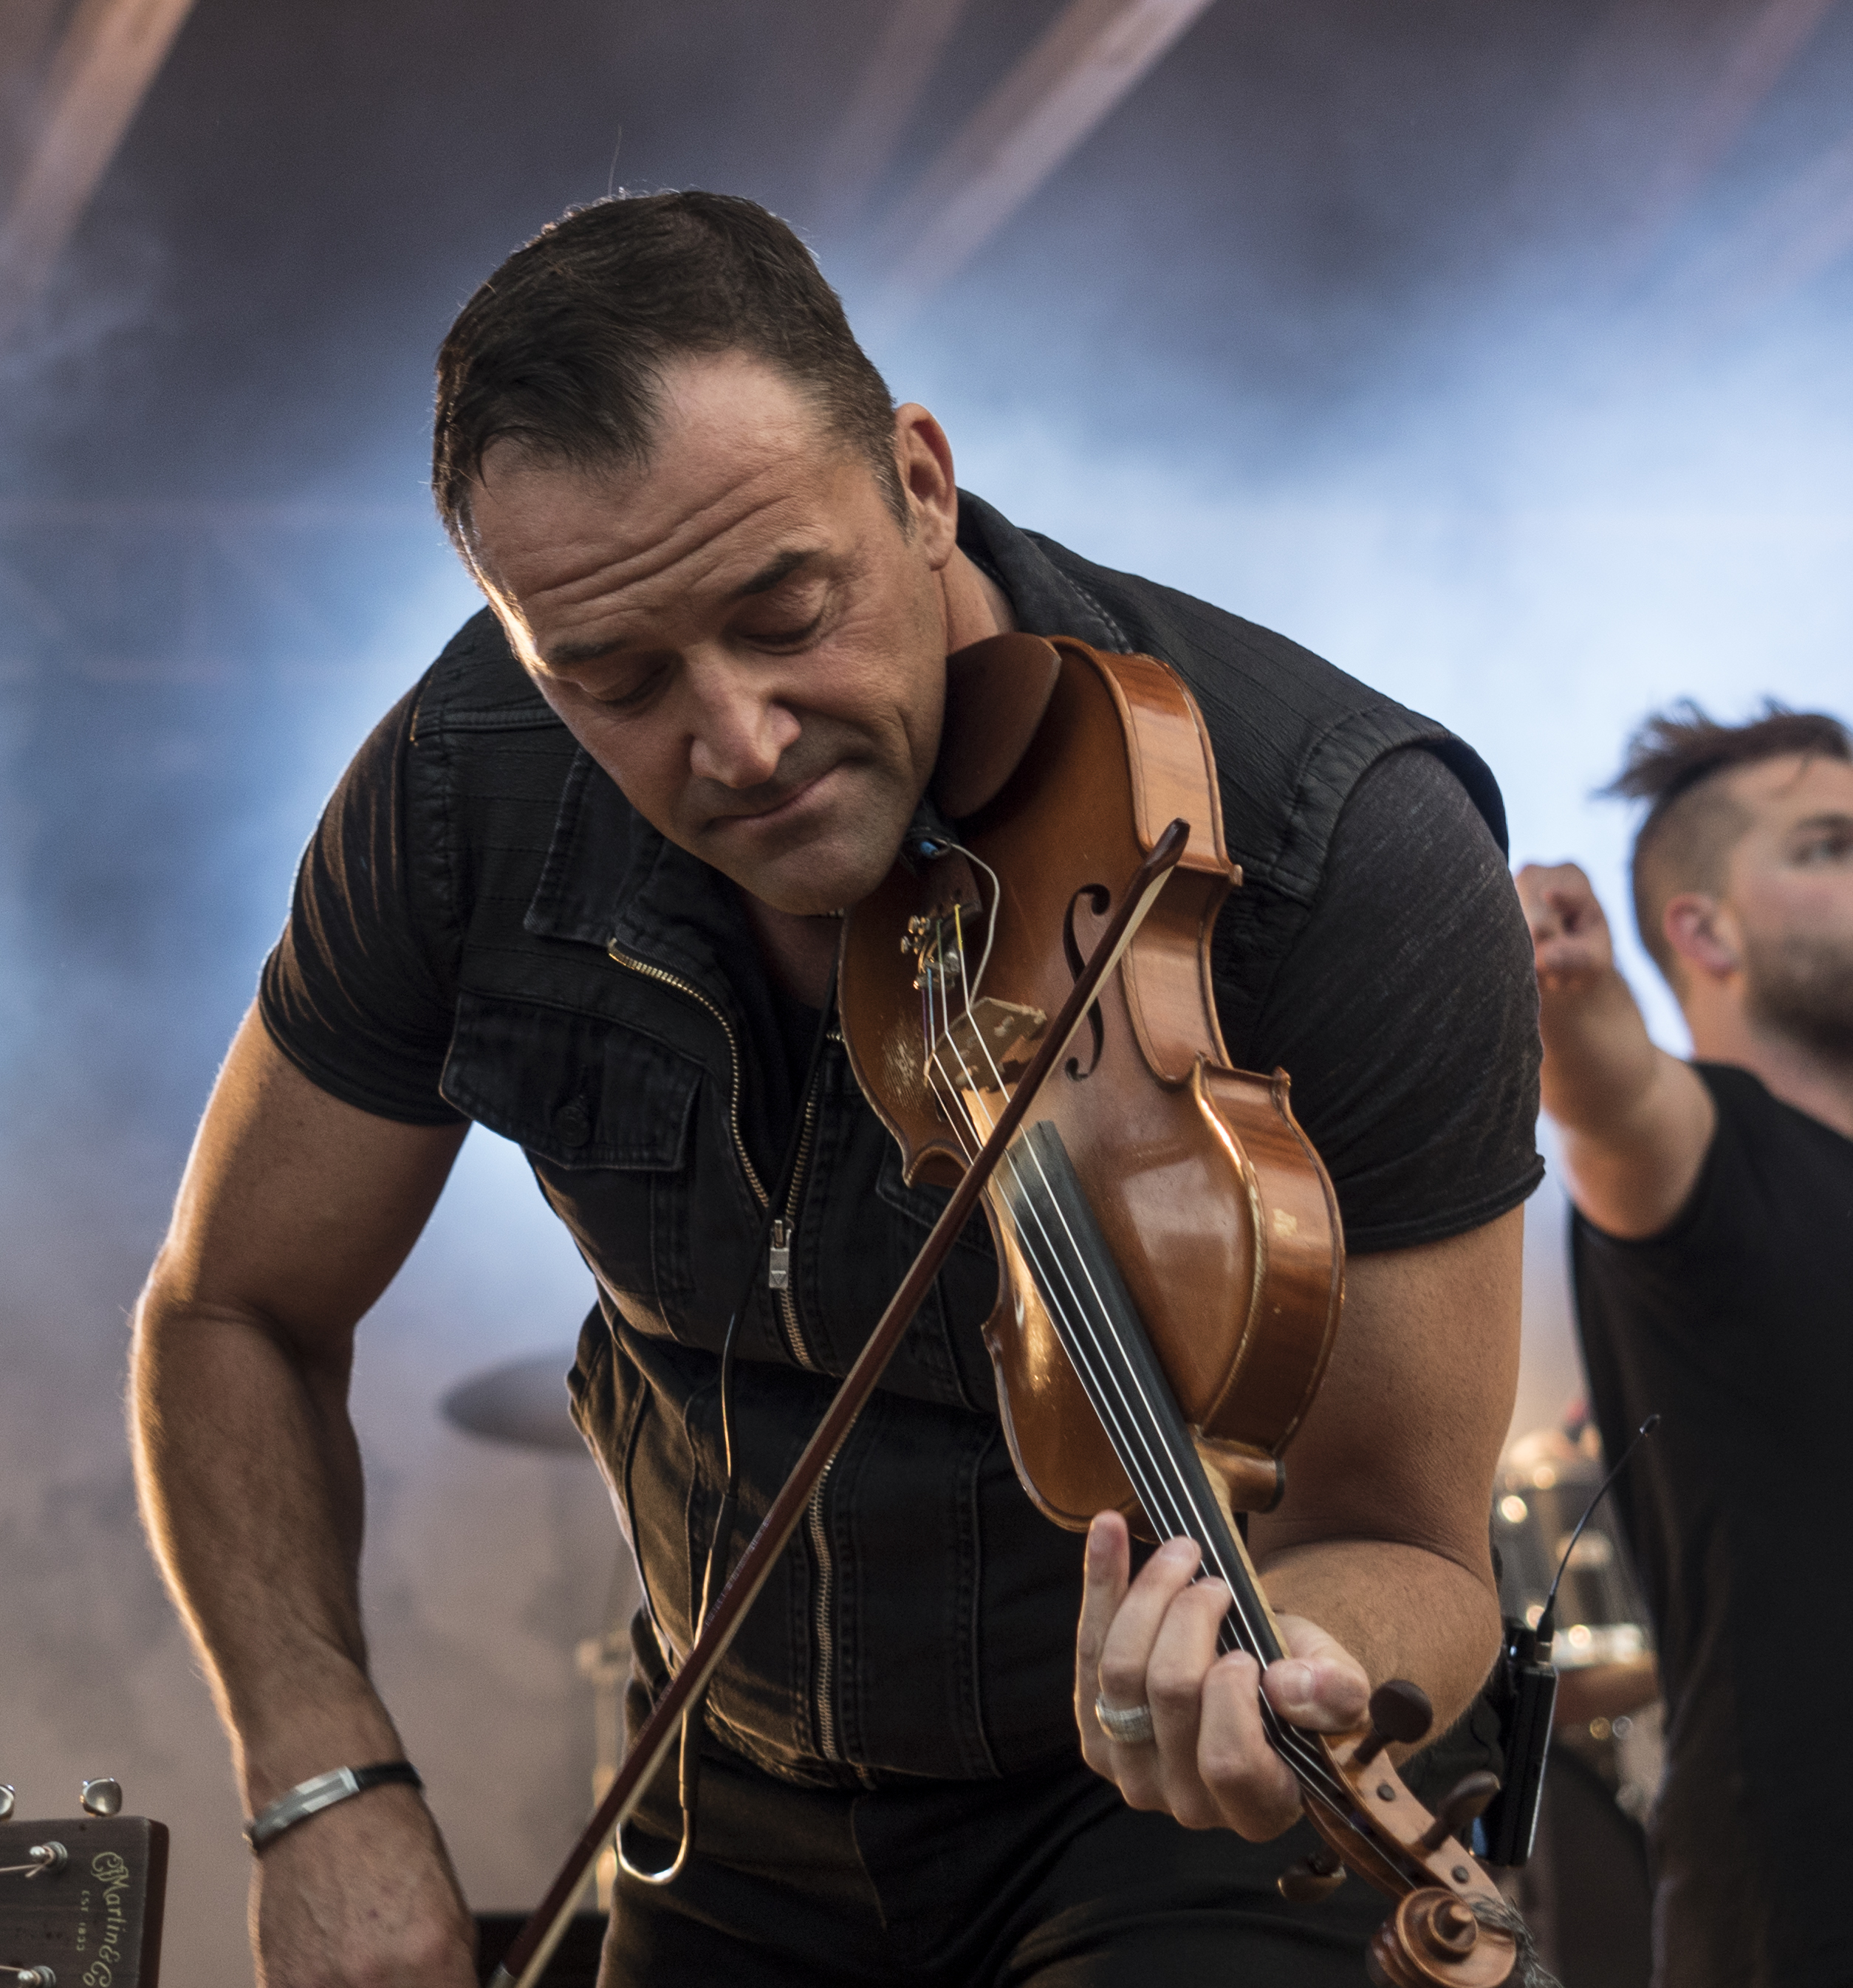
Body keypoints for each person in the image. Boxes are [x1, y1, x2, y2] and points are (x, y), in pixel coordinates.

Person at [132, 191, 1541, 1988]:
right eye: (613, 679)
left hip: (1173, 1818)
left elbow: (1407, 1540)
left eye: (783, 608)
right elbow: (230, 1305)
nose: (736, 739)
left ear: (921, 482)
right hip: (736, 1783)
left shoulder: (1335, 843)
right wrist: (318, 1780)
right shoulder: (456, 790)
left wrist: (1290, 1676)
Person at [1517, 703, 1853, 1988]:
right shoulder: (1704, 1148)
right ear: (1701, 929)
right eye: (1826, 847)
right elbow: (1605, 1083)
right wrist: (1564, 979)